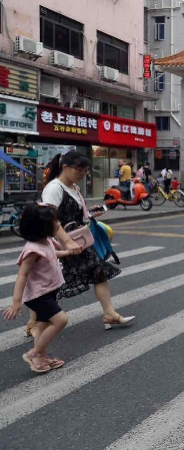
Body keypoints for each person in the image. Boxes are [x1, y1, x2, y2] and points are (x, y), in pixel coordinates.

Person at [38, 151, 134, 332]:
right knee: (50, 284)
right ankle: (34, 323)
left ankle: (109, 314)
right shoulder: (54, 188)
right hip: (62, 243)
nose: (83, 173)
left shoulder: (74, 188)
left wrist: (90, 213)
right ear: (65, 167)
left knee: (99, 272)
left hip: (78, 242)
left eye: (86, 170)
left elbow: (73, 214)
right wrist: (68, 242)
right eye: (79, 169)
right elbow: (50, 219)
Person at [3, 204, 79, 373]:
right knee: (61, 320)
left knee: (44, 325)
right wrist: (16, 302)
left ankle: (40, 358)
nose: (58, 224)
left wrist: (67, 253)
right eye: (54, 221)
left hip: (49, 290)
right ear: (41, 226)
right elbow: (22, 275)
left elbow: (52, 253)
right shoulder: (32, 250)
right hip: (38, 295)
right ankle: (34, 353)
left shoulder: (47, 240)